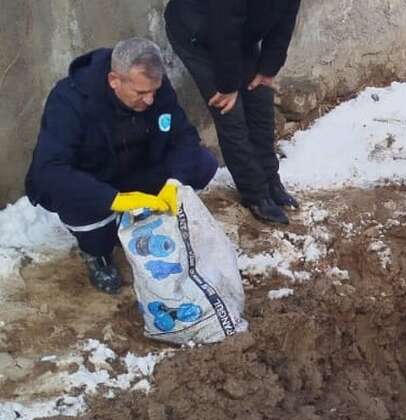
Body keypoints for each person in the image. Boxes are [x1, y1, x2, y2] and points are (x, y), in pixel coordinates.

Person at [25, 38, 218, 295]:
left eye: (154, 91)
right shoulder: (70, 100)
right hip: (95, 181)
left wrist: (174, 182)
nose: (150, 100)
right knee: (82, 211)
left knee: (202, 164)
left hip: (137, 170)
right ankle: (97, 252)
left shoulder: (156, 90)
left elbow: (184, 136)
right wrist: (113, 199)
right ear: (114, 80)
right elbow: (50, 170)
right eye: (140, 93)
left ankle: (145, 221)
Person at [165, 0, 301, 225]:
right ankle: (255, 194)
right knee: (230, 113)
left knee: (260, 100)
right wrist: (228, 86)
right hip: (198, 33)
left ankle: (271, 181)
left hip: (237, 33)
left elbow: (286, 20)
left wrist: (268, 67)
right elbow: (224, 28)